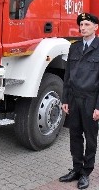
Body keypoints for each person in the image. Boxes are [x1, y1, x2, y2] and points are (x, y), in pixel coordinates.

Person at [60, 12, 99, 190]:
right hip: (74, 99)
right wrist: (65, 99)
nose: (83, 28)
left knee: (90, 139)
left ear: (95, 27)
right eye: (81, 25)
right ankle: (76, 169)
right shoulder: (74, 47)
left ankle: (86, 172)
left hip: (91, 100)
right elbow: (67, 75)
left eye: (87, 25)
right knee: (74, 136)